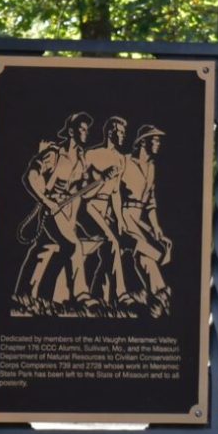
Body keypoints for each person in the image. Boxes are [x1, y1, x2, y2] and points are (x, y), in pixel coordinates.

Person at [14, 112, 95, 310]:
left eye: (87, 129)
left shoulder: (82, 160)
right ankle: (82, 295)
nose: (85, 133)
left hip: (68, 211)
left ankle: (29, 294)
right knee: (73, 246)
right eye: (81, 129)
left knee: (45, 248)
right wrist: (45, 200)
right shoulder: (54, 154)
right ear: (71, 131)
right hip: (51, 209)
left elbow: (81, 191)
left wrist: (96, 182)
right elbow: (31, 176)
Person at [119, 122, 172, 316]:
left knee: (153, 252)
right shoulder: (124, 162)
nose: (158, 144)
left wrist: (156, 227)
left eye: (158, 140)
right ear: (143, 142)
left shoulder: (151, 168)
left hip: (139, 219)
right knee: (148, 253)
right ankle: (160, 293)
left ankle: (158, 296)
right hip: (121, 217)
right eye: (155, 140)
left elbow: (150, 202)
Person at [78, 115, 129, 308]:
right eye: (120, 132)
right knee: (112, 242)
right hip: (88, 207)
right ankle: (121, 294)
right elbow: (81, 191)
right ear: (110, 132)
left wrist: (120, 219)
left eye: (124, 133)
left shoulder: (120, 159)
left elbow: (115, 193)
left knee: (113, 248)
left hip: (106, 209)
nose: (123, 136)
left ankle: (100, 295)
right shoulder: (91, 155)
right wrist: (102, 178)